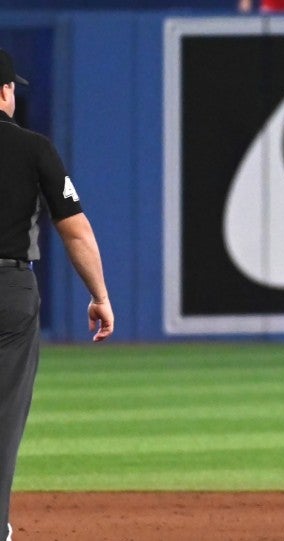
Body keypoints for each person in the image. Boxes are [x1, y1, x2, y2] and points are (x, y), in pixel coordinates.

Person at [0, 48, 114, 541]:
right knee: (2, 418)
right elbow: (76, 230)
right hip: (9, 291)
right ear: (3, 91)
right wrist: (99, 296)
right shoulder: (33, 148)